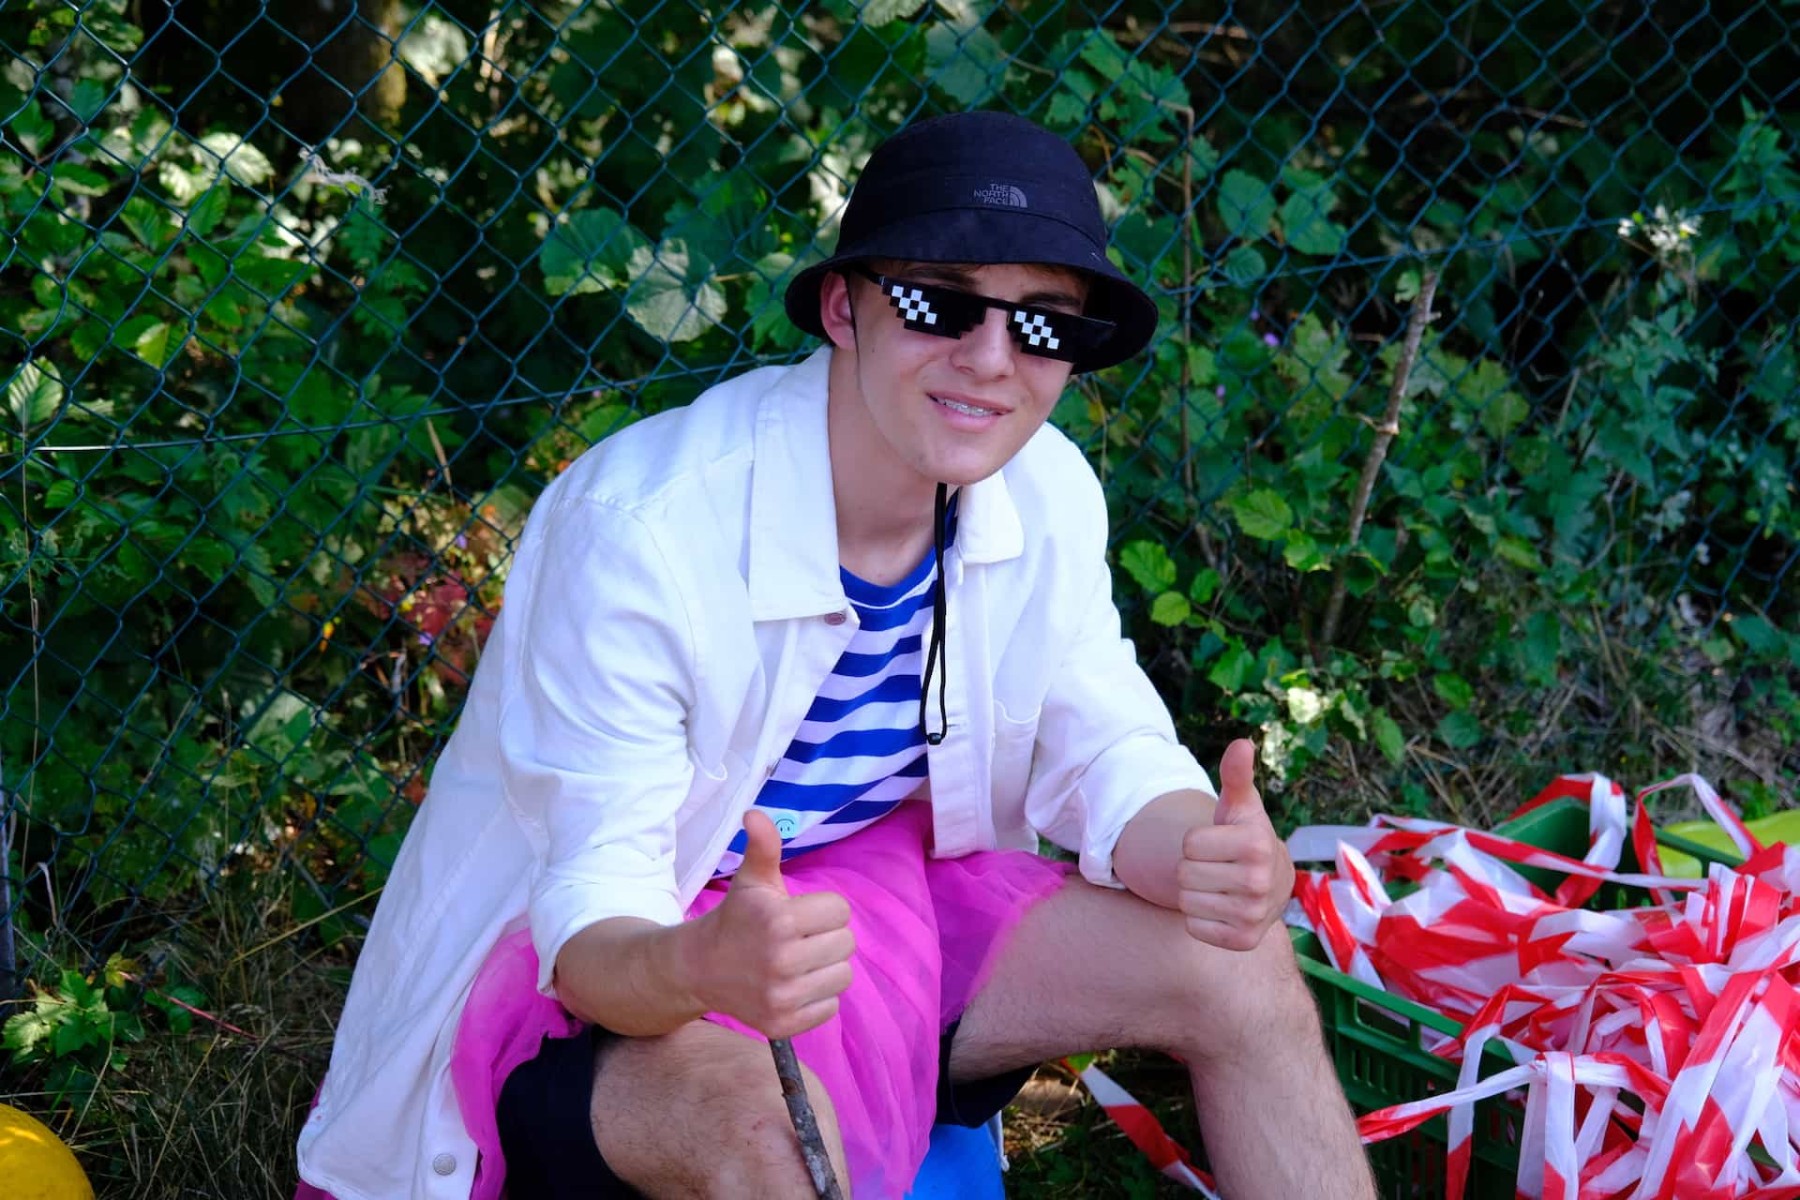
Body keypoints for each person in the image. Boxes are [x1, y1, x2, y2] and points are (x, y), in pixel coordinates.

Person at [296, 110, 1375, 1200]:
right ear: (841, 308)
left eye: (1044, 323)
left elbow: (1105, 748)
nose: (990, 360)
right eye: (940, 302)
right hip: (617, 965)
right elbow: (591, 928)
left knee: (1240, 965)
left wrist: (1199, 852)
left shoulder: (1045, 488)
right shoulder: (642, 533)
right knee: (772, 1140)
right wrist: (704, 965)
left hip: (873, 909)